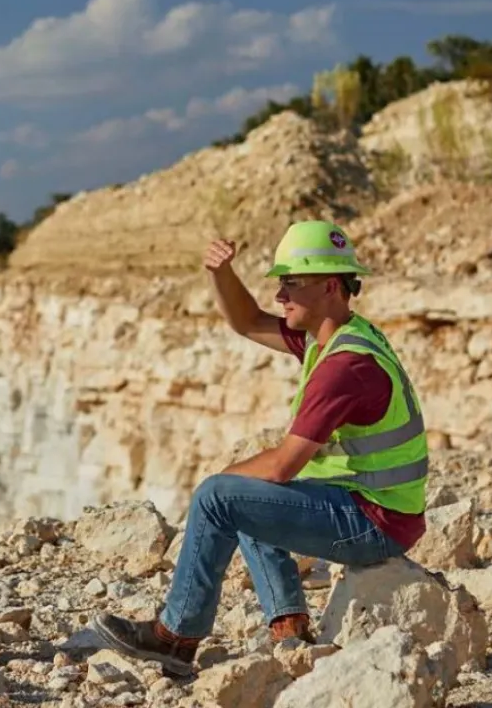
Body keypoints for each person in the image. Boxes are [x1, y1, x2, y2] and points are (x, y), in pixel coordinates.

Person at [90, 220, 430, 677]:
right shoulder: (334, 337)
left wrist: (221, 482)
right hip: (376, 509)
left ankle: (175, 636)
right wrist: (220, 273)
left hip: (375, 523)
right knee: (246, 496)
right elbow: (247, 321)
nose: (279, 295)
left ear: (330, 286)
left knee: (223, 496)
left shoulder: (345, 366)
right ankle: (289, 628)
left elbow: (285, 465)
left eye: (290, 283)